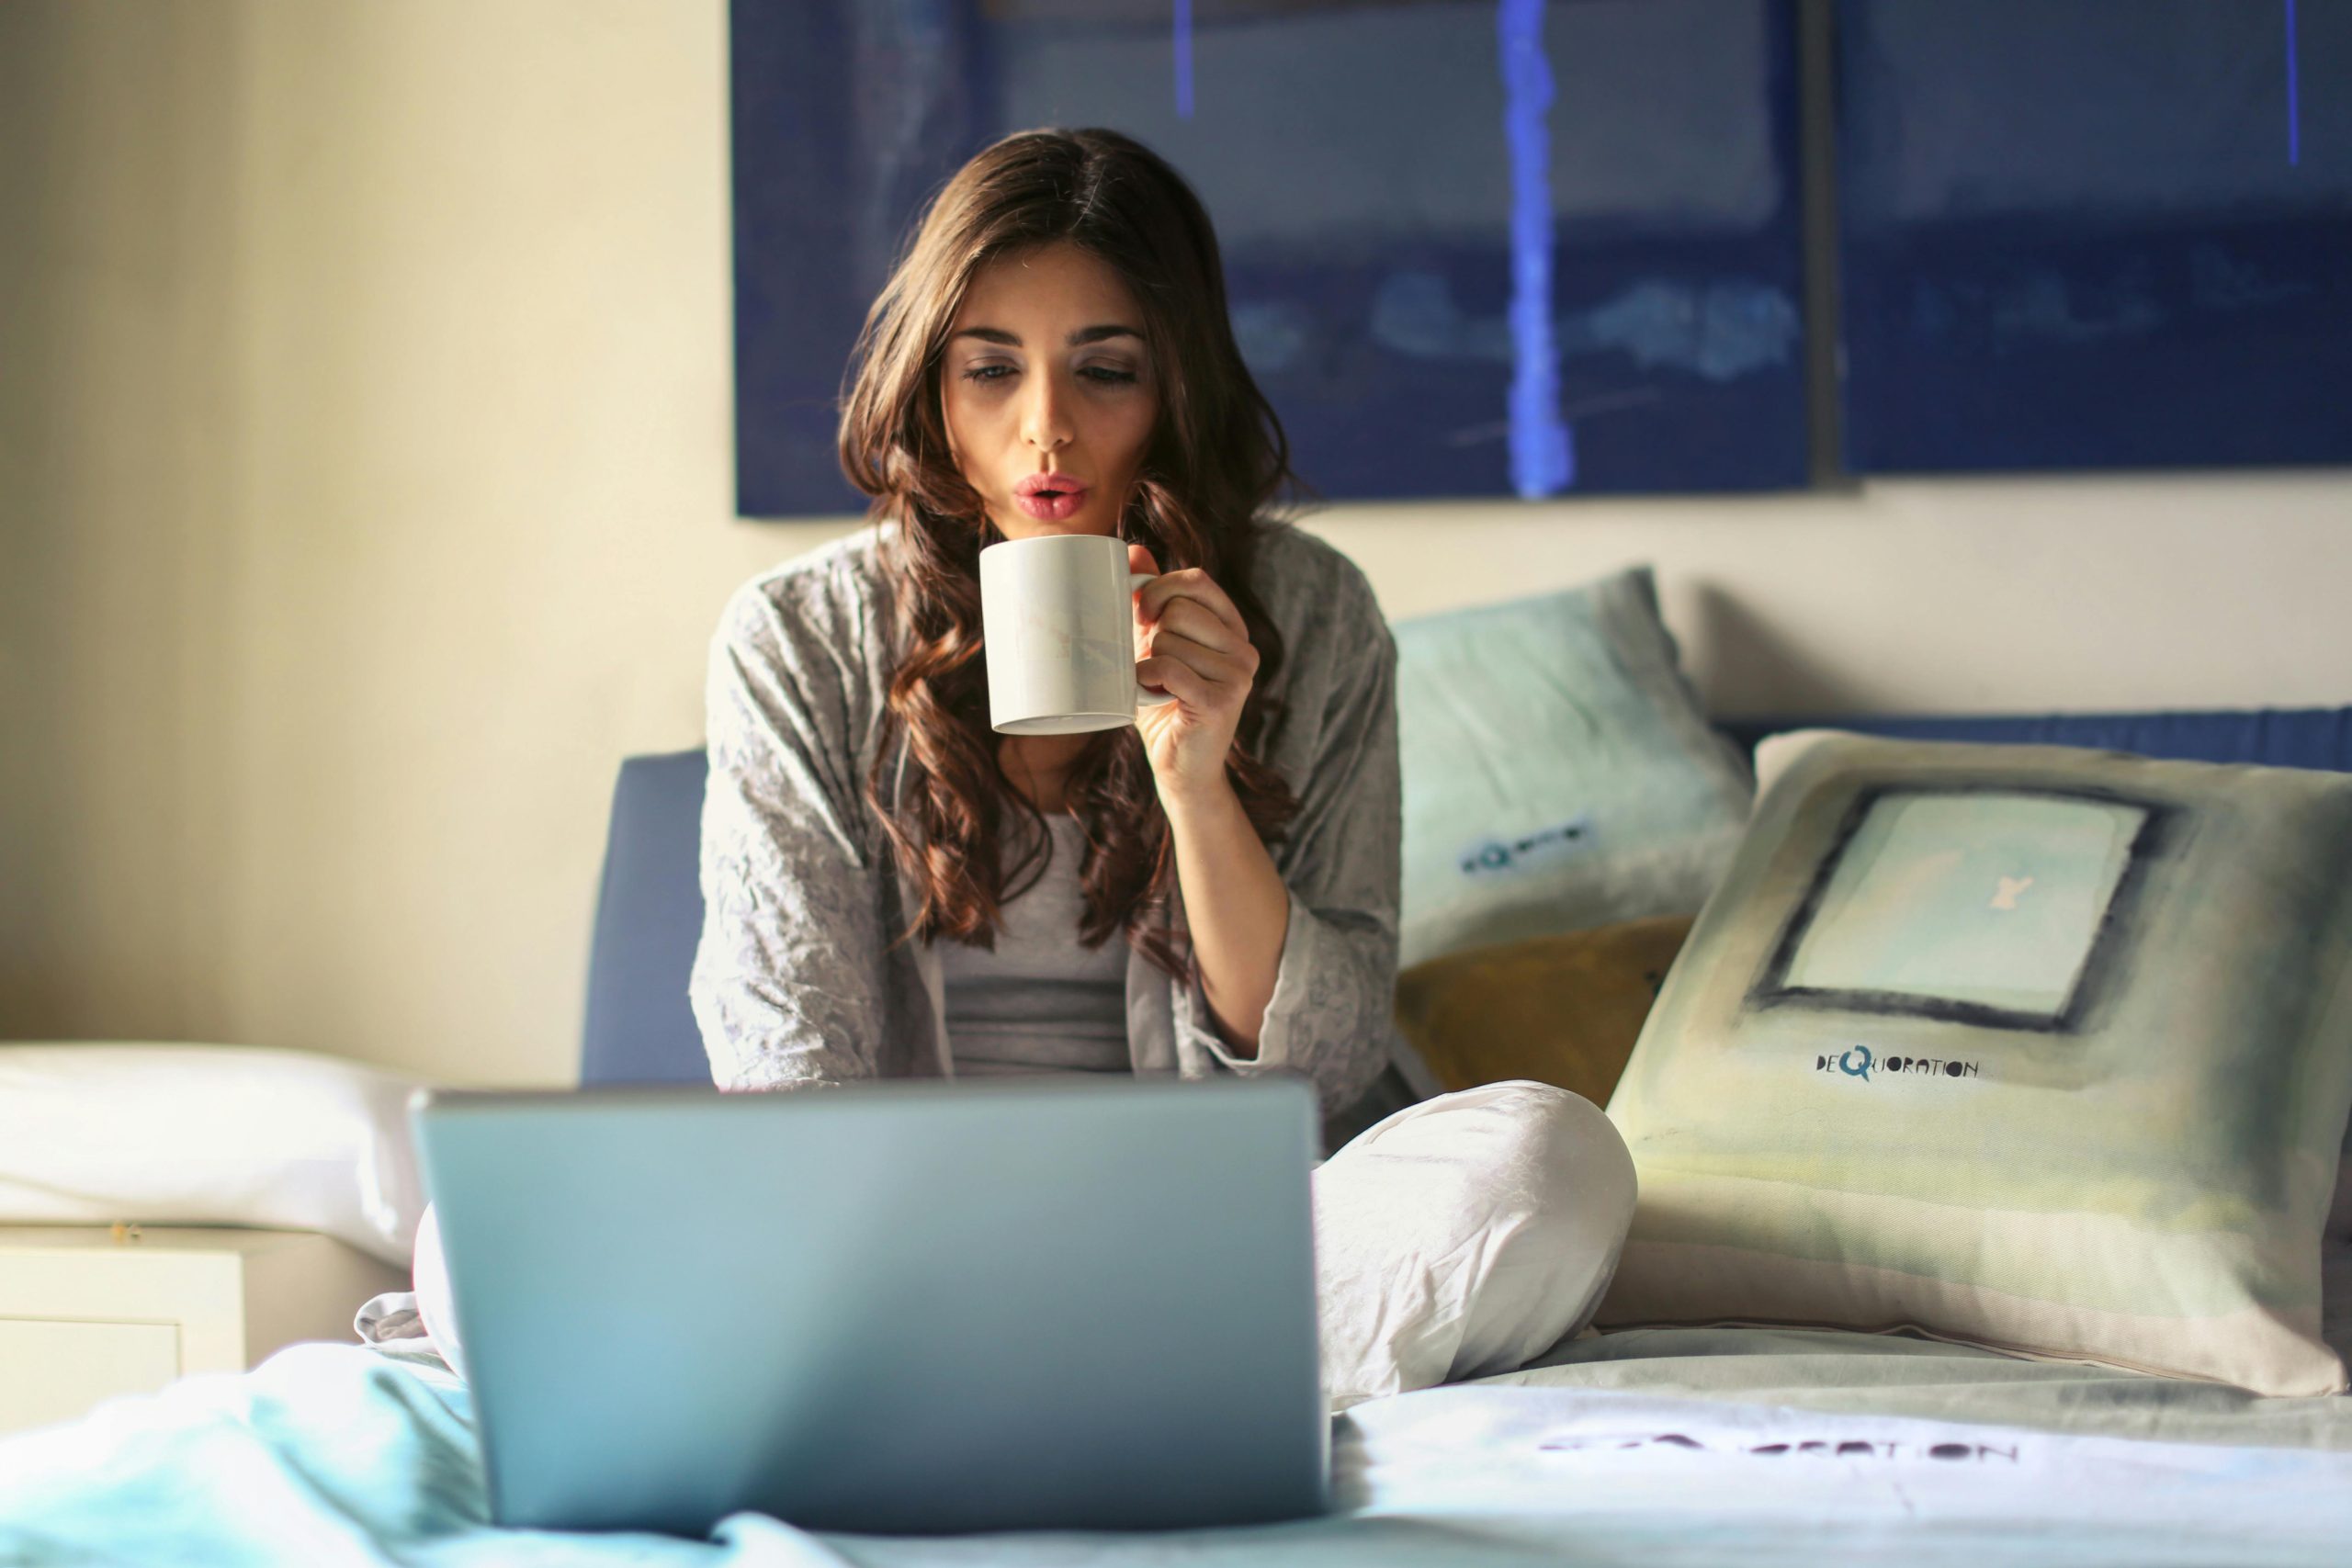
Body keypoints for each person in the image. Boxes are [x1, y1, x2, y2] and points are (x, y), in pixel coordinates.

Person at [418, 127, 1634, 1413]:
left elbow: (1320, 1066)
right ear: (930, 389)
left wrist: (1198, 779)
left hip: (1221, 1241)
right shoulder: (800, 639)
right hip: (893, 1242)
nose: (1045, 429)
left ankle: (962, 1383)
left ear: (1178, 388)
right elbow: (785, 1056)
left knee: (1553, 1165)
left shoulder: (1314, 619)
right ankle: (1109, 1379)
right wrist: (885, 1246)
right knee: (473, 1244)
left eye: (1104, 371)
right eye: (990, 370)